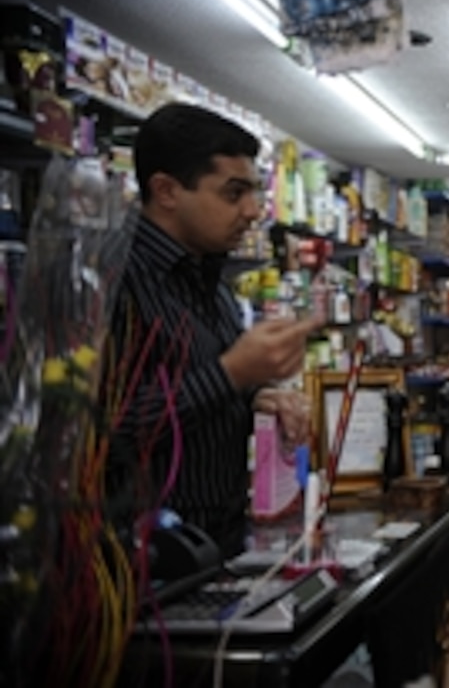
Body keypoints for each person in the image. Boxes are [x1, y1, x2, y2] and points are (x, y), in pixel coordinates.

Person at [105, 102, 321, 558]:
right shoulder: (110, 279)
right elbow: (102, 435)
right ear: (166, 190)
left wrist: (257, 399)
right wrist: (232, 374)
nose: (252, 211)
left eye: (255, 192)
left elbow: (197, 401)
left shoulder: (214, 287)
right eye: (233, 193)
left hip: (217, 548)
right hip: (143, 565)